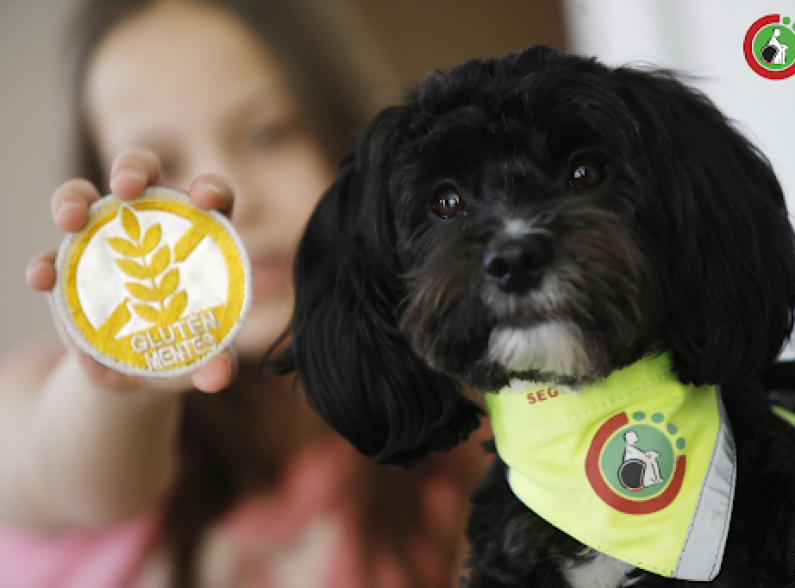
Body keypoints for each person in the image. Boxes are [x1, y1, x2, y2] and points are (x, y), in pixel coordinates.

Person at [0, 1, 490, 587]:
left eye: (267, 134)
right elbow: (76, 477)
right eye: (162, 171)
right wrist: (123, 381)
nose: (232, 199)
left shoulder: (458, 449)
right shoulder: (37, 402)